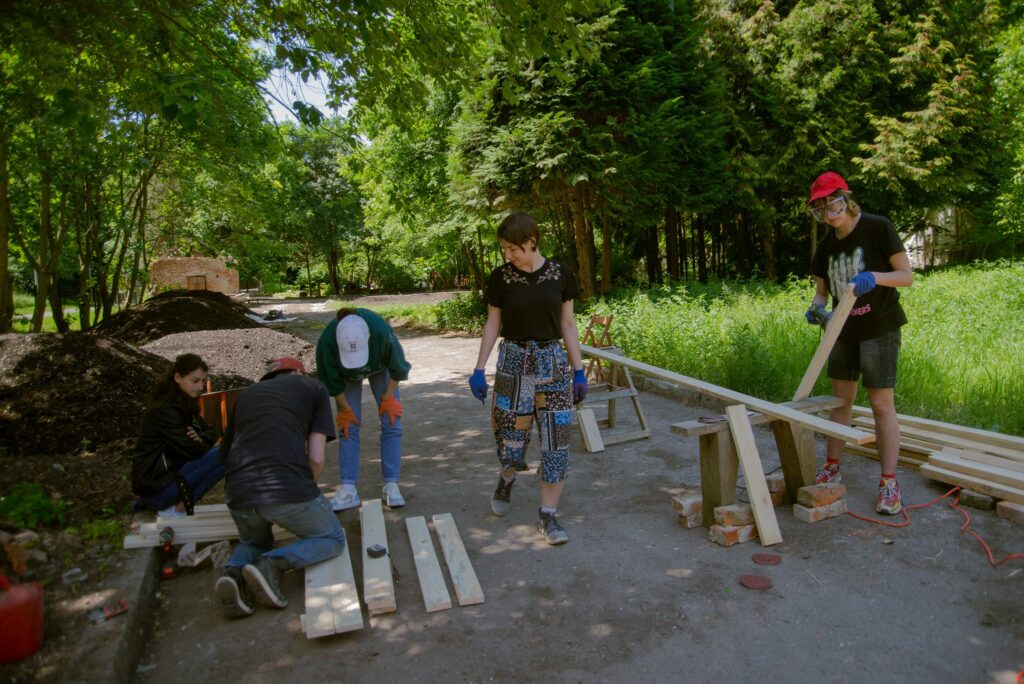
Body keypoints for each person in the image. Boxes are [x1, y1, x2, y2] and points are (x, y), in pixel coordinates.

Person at [469, 211, 588, 545]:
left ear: (531, 242)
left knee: (556, 441)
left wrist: (578, 370)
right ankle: (507, 476)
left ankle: (548, 516)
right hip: (513, 364)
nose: (508, 255)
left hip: (553, 365)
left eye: (512, 248)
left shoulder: (560, 274)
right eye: (505, 249)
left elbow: (567, 323)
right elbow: (493, 324)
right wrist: (479, 368)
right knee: (511, 438)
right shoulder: (500, 278)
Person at [806, 171, 913, 514]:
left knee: (881, 404)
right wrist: (815, 309)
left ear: (846, 198)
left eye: (832, 202)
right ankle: (832, 466)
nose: (828, 211)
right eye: (820, 207)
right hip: (842, 331)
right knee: (841, 402)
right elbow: (822, 292)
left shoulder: (877, 227)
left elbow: (906, 276)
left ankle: (889, 483)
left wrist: (875, 277)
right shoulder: (826, 246)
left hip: (879, 327)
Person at [213, 357, 345, 619]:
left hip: (238, 493)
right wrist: (307, 495)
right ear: (299, 372)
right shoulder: (314, 387)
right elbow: (317, 457)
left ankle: (233, 573)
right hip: (286, 488)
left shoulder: (246, 395)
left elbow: (224, 455)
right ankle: (270, 566)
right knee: (332, 538)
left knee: (254, 541)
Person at [315, 308, 412, 511]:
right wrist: (345, 409)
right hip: (345, 374)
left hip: (380, 368)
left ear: (368, 337)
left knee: (392, 421)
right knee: (349, 426)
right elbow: (331, 381)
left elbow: (399, 368)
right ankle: (348, 489)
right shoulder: (327, 342)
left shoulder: (381, 332)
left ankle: (391, 484)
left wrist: (388, 398)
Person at [131, 353, 224, 518]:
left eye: (203, 381)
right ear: (178, 377)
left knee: (228, 451)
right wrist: (203, 443)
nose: (201, 387)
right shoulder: (166, 410)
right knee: (229, 452)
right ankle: (177, 510)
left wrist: (201, 438)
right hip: (157, 488)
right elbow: (193, 451)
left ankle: (180, 507)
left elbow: (211, 431)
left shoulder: (183, 404)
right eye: (195, 381)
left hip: (168, 480)